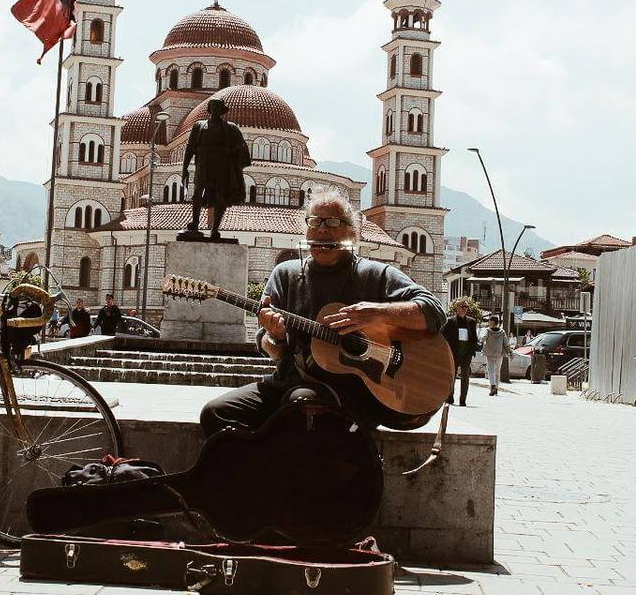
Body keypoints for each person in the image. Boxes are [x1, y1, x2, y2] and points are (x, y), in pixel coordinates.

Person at [200, 190, 446, 437]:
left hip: (353, 393)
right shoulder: (285, 275)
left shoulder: (376, 274)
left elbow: (434, 311)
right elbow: (273, 351)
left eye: (333, 222)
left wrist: (376, 313)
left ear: (352, 232)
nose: (322, 230)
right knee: (214, 413)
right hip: (290, 382)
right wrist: (275, 336)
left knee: (301, 403)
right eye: (315, 222)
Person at [180, 96, 252, 240]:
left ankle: (215, 229)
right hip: (203, 164)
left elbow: (242, 148)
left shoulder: (230, 128)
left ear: (222, 111)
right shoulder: (199, 126)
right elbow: (190, 147)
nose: (215, 110)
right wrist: (185, 167)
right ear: (210, 109)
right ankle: (195, 223)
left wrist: (229, 151)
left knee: (220, 197)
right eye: (213, 107)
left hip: (221, 167)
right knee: (197, 193)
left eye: (218, 108)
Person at [441, 300, 479, 407]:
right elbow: (443, 337)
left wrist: (472, 351)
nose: (464, 309)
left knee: (465, 378)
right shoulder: (450, 321)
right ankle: (450, 397)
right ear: (457, 308)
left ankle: (463, 400)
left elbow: (474, 338)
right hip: (453, 353)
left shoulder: (471, 322)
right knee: (451, 377)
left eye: (466, 307)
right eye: (461, 306)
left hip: (466, 354)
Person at [481, 315, 511, 396]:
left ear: (493, 322)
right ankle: (496, 388)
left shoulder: (488, 330)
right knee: (497, 371)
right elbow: (506, 343)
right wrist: (510, 352)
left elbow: (483, 338)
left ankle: (493, 386)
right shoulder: (502, 332)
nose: (488, 322)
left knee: (490, 370)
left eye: (489, 321)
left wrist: (481, 340)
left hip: (489, 354)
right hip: (499, 354)